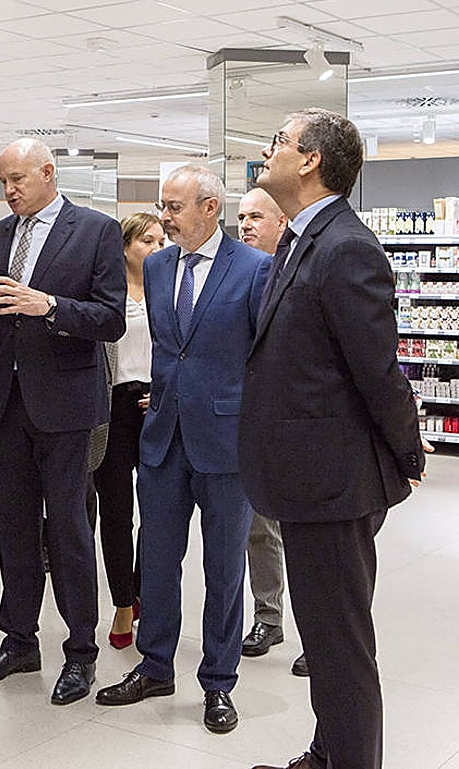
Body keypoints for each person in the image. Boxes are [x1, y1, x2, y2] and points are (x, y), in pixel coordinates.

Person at [244, 109, 425, 769]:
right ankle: (327, 754)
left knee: (341, 646)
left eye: (279, 142)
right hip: (306, 477)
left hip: (335, 483)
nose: (268, 152)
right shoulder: (299, 240)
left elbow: (379, 370)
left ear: (312, 160)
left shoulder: (348, 248)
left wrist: (408, 453)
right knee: (322, 638)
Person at [95, 166, 268, 734]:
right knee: (159, 560)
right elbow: (171, 351)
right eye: (162, 206)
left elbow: (264, 357)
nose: (164, 217)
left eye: (174, 206)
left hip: (226, 443)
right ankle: (155, 664)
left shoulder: (254, 269)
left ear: (210, 208)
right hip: (163, 440)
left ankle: (219, 682)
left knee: (223, 568)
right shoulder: (158, 264)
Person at [0, 138, 126, 707]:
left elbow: (110, 319)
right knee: (11, 526)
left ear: (49, 173)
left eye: (18, 179)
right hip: (2, 406)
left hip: (64, 408)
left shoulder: (98, 231)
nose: (8, 190)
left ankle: (81, 650)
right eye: (3, 180)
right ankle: (19, 639)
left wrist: (47, 305)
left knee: (70, 530)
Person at [234, 188, 306, 675]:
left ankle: (319, 634)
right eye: (240, 216)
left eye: (255, 216)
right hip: (241, 421)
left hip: (297, 424)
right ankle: (268, 616)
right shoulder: (234, 272)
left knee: (306, 536)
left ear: (282, 222)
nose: (245, 225)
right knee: (258, 529)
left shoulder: (299, 272)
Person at [90, 212, 164, 650]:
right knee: (116, 513)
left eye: (160, 241)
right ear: (124, 247)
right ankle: (121, 602)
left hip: (156, 404)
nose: (156, 249)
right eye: (146, 242)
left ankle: (144, 594)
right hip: (114, 406)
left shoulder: (169, 289)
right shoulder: (108, 293)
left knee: (157, 513)